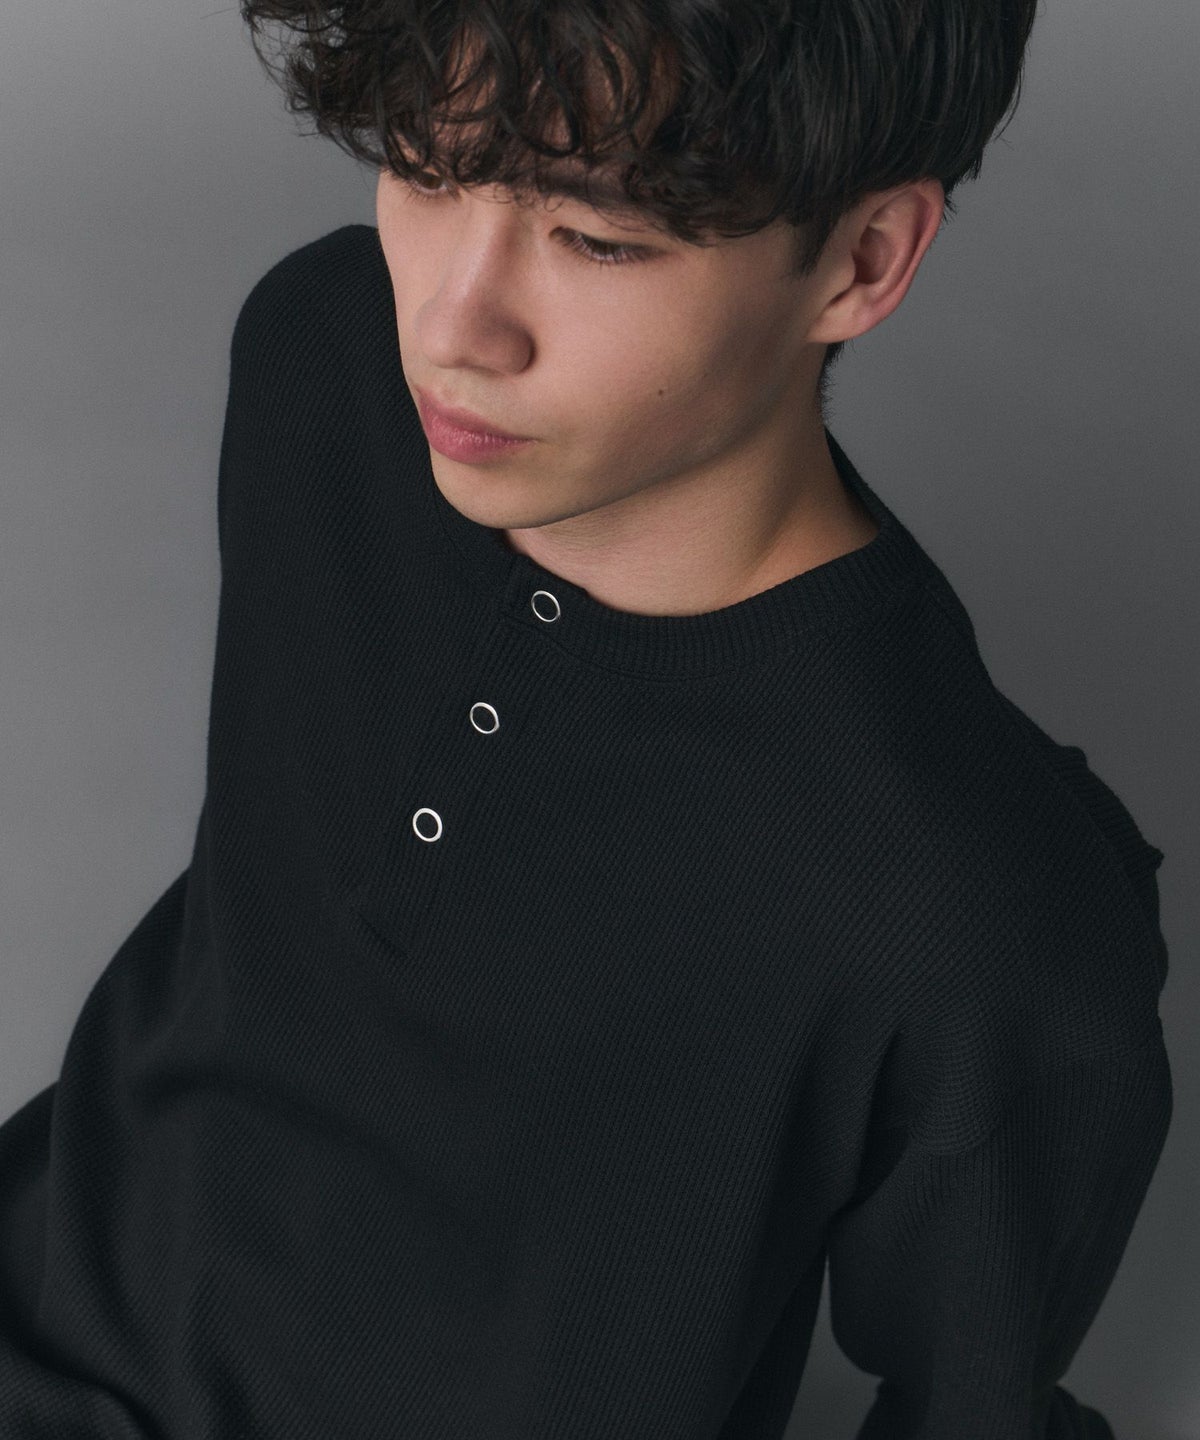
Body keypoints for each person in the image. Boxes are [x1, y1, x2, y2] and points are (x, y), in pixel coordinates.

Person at [0, 2, 1174, 1437]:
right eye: (426, 168)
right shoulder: (322, 357)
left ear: (864, 260)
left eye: (595, 238)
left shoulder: (972, 896)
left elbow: (970, 1402)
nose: (451, 328)